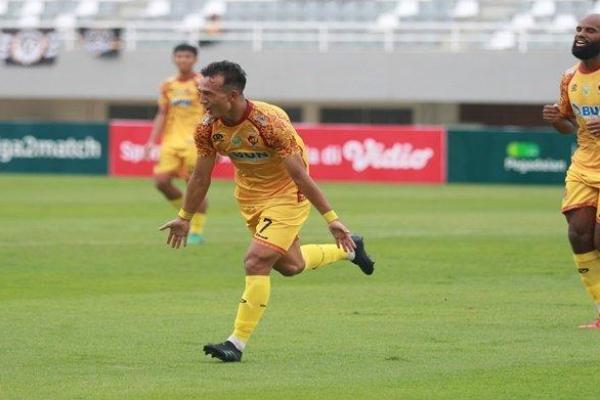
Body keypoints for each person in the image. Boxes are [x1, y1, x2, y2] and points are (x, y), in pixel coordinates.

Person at [159, 60, 375, 361]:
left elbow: (300, 176)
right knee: (290, 266)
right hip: (250, 196)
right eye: (200, 92)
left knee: (255, 261)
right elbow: (200, 176)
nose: (201, 99)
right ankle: (351, 251)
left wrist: (332, 219)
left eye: (208, 94)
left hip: (288, 193)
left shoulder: (269, 123)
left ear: (232, 95)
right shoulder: (208, 128)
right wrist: (185, 218)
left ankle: (235, 344)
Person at [543, 13, 600, 329]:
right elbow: (568, 125)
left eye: (590, 31)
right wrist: (555, 119)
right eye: (579, 29)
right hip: (583, 166)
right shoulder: (569, 78)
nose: (581, 34)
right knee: (579, 235)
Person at [145, 43, 209, 244]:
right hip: (171, 141)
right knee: (161, 181)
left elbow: (211, 111)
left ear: (195, 60)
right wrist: (151, 140)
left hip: (195, 141)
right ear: (174, 58)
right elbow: (162, 113)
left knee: (194, 186)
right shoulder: (168, 85)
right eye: (179, 56)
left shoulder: (203, 84)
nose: (183, 59)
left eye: (187, 56)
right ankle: (186, 215)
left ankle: (196, 231)